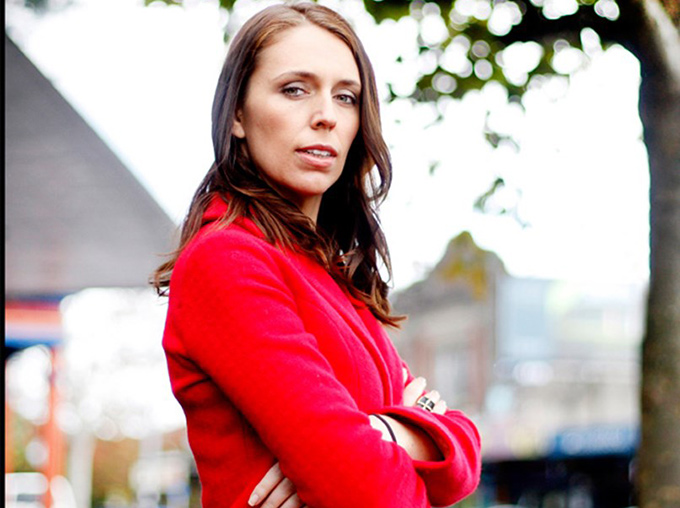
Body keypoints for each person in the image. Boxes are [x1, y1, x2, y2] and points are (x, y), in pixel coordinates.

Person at [153, 3, 481, 507]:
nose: (326, 115)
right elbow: (368, 491)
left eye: (345, 96)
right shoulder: (227, 261)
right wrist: (417, 430)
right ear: (237, 114)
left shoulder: (331, 275)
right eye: (295, 89)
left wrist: (385, 432)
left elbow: (465, 463)